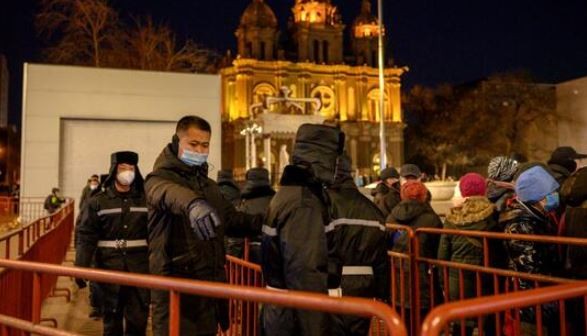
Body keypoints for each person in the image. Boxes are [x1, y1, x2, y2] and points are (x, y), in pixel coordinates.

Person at [145, 115, 262, 336]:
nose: (199, 150)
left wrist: (269, 222)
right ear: (176, 142)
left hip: (208, 292)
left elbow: (233, 220)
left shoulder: (210, 187)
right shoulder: (158, 179)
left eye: (205, 145)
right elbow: (169, 194)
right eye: (193, 144)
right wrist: (193, 204)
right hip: (176, 293)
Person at [261, 123, 345, 336]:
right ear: (321, 159)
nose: (337, 166)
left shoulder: (294, 194)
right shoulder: (303, 204)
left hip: (284, 315)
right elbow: (306, 275)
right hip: (296, 320)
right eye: (334, 158)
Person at [75, 151, 150, 336]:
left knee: (138, 320)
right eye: (123, 168)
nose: (128, 172)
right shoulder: (97, 202)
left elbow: (156, 233)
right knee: (111, 321)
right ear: (114, 171)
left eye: (131, 168)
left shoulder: (146, 200)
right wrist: (80, 266)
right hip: (108, 269)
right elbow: (86, 235)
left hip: (139, 270)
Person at [327, 154, 389, 336]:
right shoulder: (372, 210)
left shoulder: (324, 205)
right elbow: (381, 257)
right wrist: (383, 292)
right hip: (365, 284)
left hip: (332, 283)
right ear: (351, 173)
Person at [500, 165, 560, 334]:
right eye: (550, 193)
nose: (554, 197)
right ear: (538, 198)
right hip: (531, 304)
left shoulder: (536, 217)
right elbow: (531, 266)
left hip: (539, 300)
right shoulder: (521, 225)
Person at [437, 173, 497, 335]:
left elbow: (443, 255)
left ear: (463, 193)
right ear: (483, 191)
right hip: (486, 280)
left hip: (458, 281)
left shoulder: (452, 218)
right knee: (489, 323)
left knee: (461, 325)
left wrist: (444, 283)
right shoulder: (493, 215)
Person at [388, 181, 442, 328]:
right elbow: (438, 250)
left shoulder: (392, 217)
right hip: (423, 284)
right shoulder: (432, 220)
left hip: (397, 284)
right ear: (424, 196)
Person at [237, 167, 275, 263]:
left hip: (252, 253)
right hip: (274, 250)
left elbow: (238, 232)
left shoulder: (246, 203)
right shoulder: (276, 201)